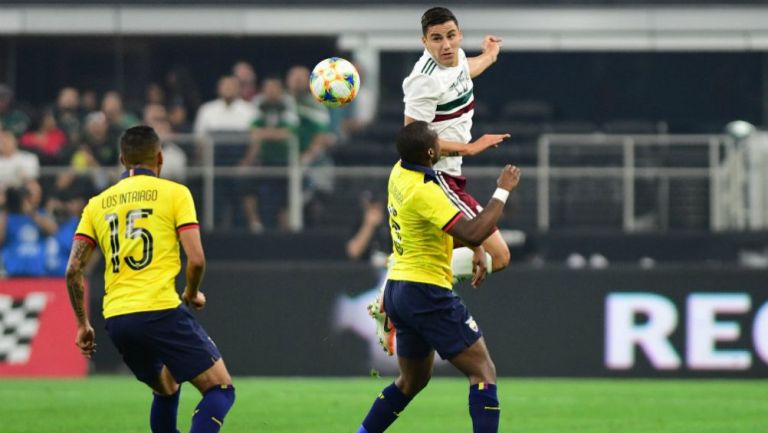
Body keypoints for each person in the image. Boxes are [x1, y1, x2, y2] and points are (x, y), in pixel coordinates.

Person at [65, 126, 235, 433]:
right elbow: (196, 259)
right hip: (159, 309)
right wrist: (191, 292)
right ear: (160, 157)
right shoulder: (175, 193)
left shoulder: (97, 203)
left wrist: (82, 324)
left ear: (121, 159)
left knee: (166, 388)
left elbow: (73, 270)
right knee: (220, 390)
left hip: (117, 319)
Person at [356, 121, 521, 433]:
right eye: (437, 141)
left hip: (398, 290)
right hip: (426, 291)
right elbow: (474, 230)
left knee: (411, 382)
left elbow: (452, 233)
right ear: (431, 152)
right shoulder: (426, 193)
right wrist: (503, 190)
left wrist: (472, 246)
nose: (442, 143)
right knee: (483, 373)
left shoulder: (399, 173)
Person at [402, 7, 511, 281]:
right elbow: (412, 142)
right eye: (437, 38)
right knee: (498, 255)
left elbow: (465, 71)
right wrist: (470, 147)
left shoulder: (457, 57)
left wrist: (491, 54)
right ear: (424, 42)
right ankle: (399, 281)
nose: (446, 45)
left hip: (449, 174)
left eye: (451, 36)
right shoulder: (423, 81)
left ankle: (403, 283)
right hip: (433, 178)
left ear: (460, 36)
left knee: (455, 251)